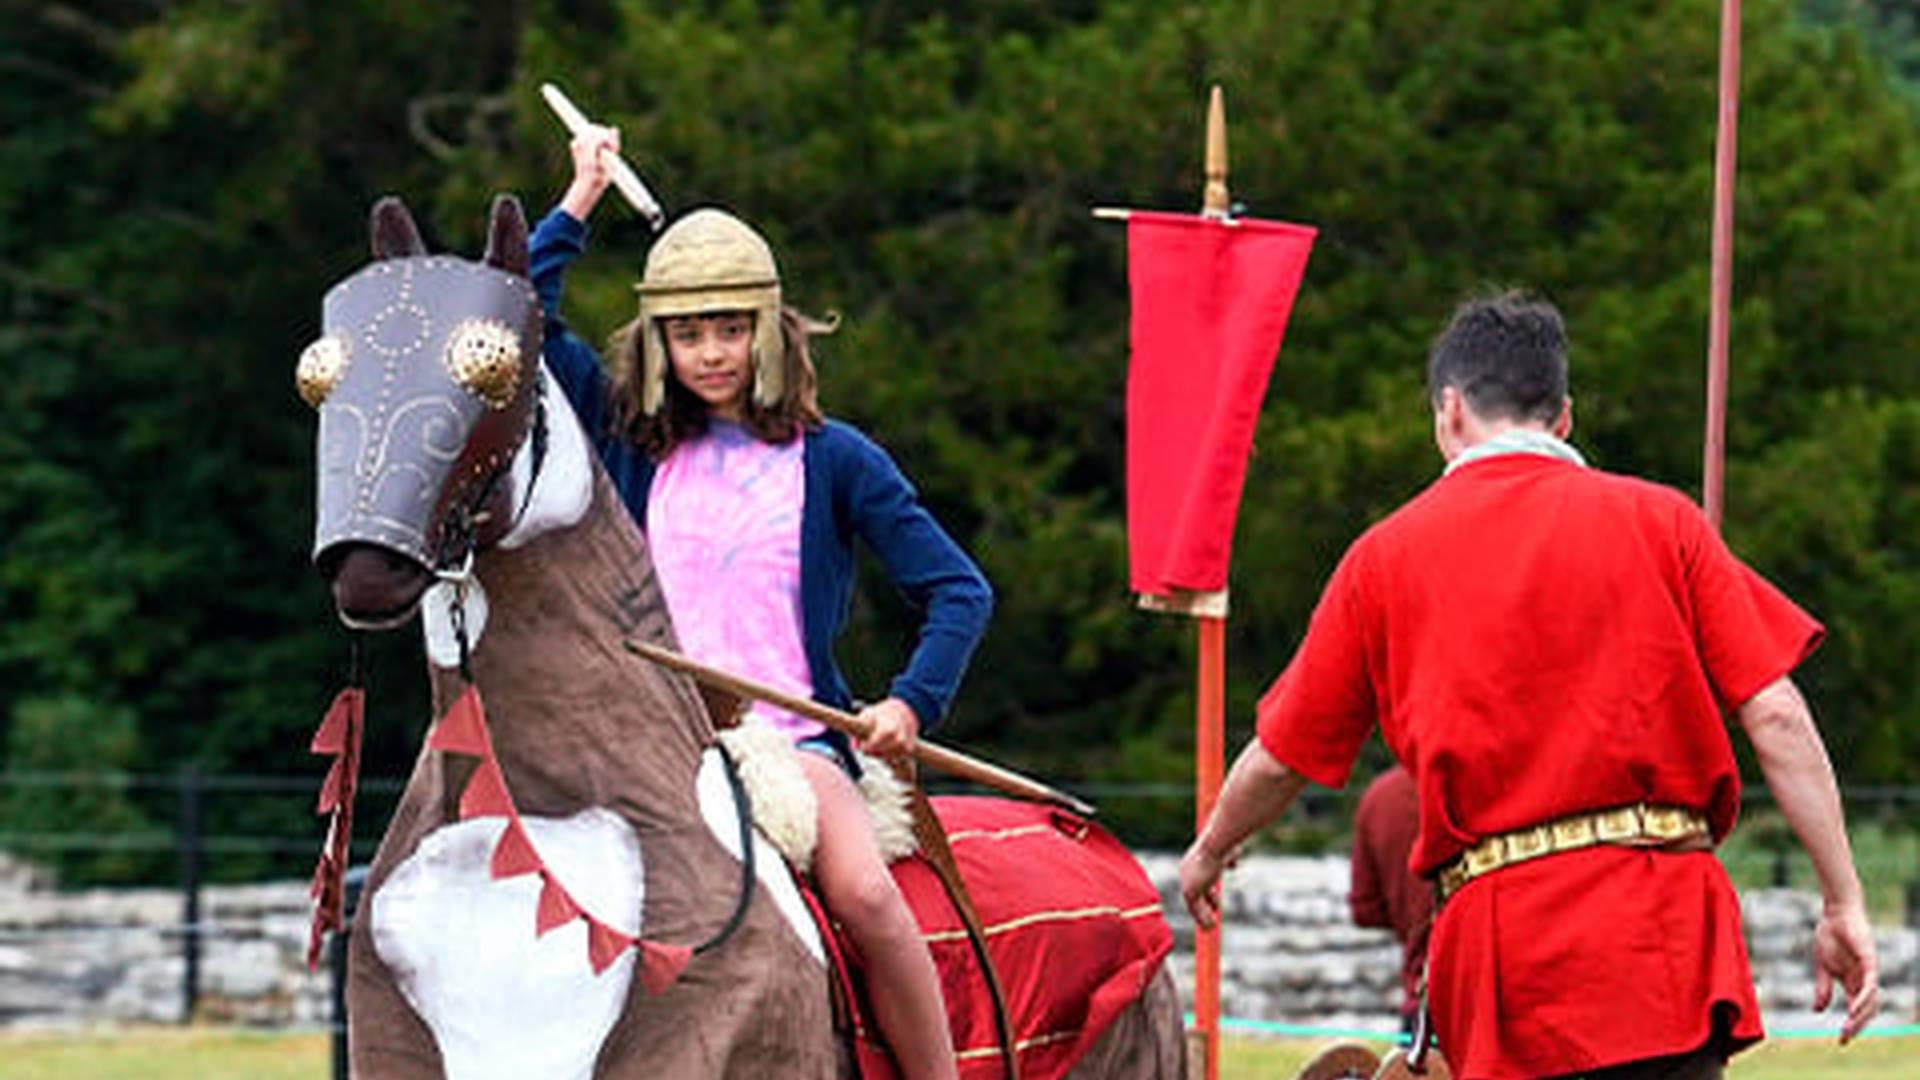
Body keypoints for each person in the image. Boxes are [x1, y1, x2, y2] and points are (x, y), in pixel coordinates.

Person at [1178, 293, 1879, 1079]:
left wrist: (1210, 850)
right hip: (1663, 941)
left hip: (1510, 954)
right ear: (1565, 417)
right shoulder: (1667, 521)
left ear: (1448, 412)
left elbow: (1280, 760)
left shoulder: (1383, 558)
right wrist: (1842, 899)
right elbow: (1779, 716)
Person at [530, 125, 992, 1080]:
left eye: (730, 330)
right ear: (658, 342)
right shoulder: (627, 441)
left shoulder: (837, 459)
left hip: (797, 747)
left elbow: (959, 589)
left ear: (770, 331)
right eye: (689, 333)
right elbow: (522, 321)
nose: (711, 353)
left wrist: (910, 703)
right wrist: (579, 196)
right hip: (650, 747)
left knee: (867, 897)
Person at [1348, 763, 1432, 1036]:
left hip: (1421, 1000)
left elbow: (1367, 909)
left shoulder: (1381, 795)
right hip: (1495, 1003)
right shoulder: (1495, 780)